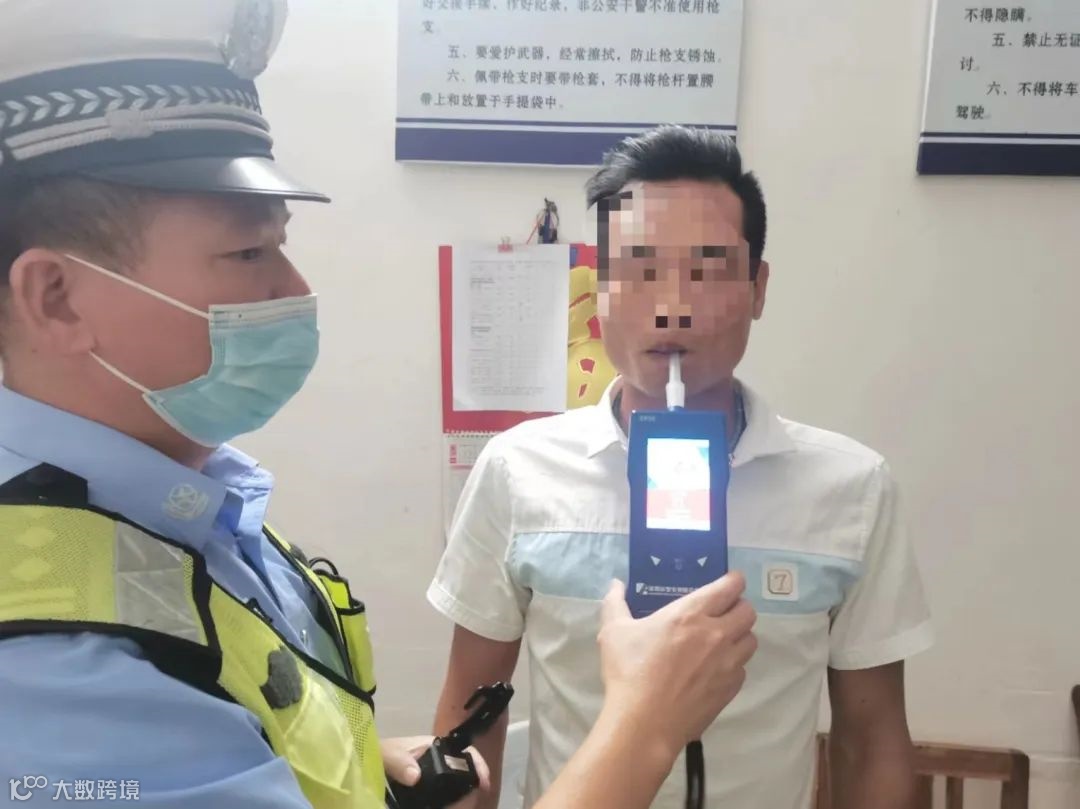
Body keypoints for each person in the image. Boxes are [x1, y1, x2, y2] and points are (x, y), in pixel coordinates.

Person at [0, 4, 757, 808]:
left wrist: (357, 778)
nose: (295, 289)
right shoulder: (52, 661)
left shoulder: (195, 510)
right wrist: (646, 722)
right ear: (56, 297)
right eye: (248, 251)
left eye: (282, 243)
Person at [429, 126, 935, 809]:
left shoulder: (852, 490)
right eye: (638, 269)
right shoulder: (518, 471)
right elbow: (470, 714)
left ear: (758, 289)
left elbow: (871, 741)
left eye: (708, 269)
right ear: (599, 291)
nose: (671, 306)